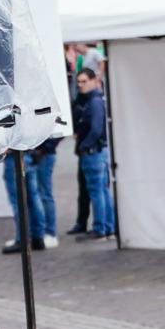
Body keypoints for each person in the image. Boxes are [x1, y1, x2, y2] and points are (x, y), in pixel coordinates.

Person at [72, 64, 114, 239]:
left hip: (93, 152)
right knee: (102, 191)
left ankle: (100, 228)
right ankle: (108, 227)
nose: (81, 85)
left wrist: (84, 146)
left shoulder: (94, 102)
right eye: (79, 82)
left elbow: (96, 129)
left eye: (84, 81)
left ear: (94, 81)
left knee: (97, 191)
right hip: (95, 151)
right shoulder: (94, 100)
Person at [0, 133, 57, 254]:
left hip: (15, 155)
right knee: (33, 197)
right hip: (28, 153)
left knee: (19, 200)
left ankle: (23, 239)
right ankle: (37, 236)